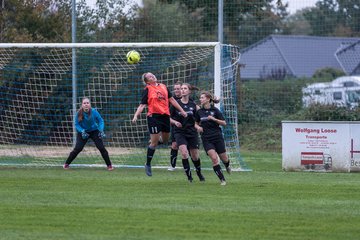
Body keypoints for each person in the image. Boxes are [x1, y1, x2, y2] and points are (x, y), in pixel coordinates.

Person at [132, 72, 187, 176]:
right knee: (154, 143)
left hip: (165, 116)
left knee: (166, 140)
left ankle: (155, 141)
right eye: (149, 76)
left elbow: (172, 100)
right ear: (147, 81)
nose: (152, 76)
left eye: (152, 74)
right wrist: (136, 115)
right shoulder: (147, 89)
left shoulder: (163, 86)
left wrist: (182, 110)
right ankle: (148, 164)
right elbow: (142, 105)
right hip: (153, 117)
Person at [63, 97, 113, 170]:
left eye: (87, 103)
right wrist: (82, 131)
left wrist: (101, 130)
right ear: (82, 105)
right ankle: (66, 164)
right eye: (84, 103)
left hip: (94, 131)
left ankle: (109, 166)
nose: (86, 104)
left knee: (101, 148)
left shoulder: (94, 111)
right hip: (83, 132)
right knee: (78, 149)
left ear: (90, 104)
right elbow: (76, 124)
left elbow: (100, 120)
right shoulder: (78, 113)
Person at [171, 83, 205, 183]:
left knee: (195, 156)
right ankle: (189, 177)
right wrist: (175, 122)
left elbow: (201, 116)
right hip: (180, 132)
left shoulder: (193, 105)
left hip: (192, 133)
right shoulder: (175, 104)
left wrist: (199, 127)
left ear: (189, 91)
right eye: (181, 88)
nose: (182, 90)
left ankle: (199, 173)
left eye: (185, 88)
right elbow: (168, 118)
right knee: (184, 153)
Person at [195, 91, 231, 185]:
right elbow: (195, 123)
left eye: (202, 97)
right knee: (214, 159)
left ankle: (227, 165)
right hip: (206, 139)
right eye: (200, 98)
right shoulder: (199, 112)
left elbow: (224, 123)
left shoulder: (215, 111)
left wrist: (214, 119)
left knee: (224, 158)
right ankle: (222, 180)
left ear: (207, 99)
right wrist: (198, 127)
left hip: (217, 137)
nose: (200, 99)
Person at [168, 81, 182, 171]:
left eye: (179, 88)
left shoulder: (188, 99)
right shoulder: (171, 100)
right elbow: (168, 115)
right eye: (175, 89)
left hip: (187, 126)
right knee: (174, 145)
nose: (176, 90)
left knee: (189, 148)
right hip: (175, 126)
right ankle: (172, 166)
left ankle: (190, 165)